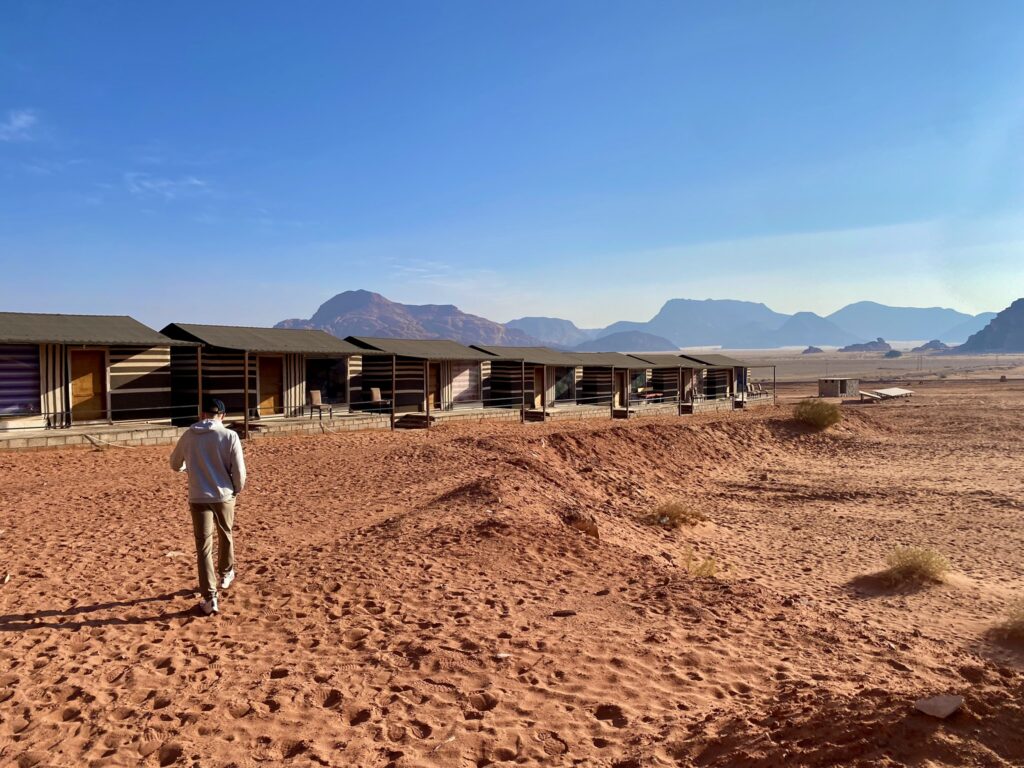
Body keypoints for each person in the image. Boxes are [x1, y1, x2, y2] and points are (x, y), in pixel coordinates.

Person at [169, 396, 246, 616]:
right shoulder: (229, 435)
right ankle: (226, 572)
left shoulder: (189, 434)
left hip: (198, 495)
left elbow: (175, 463)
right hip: (224, 495)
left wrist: (187, 469)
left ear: (202, 414)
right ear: (222, 415)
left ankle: (209, 597)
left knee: (203, 546)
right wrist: (236, 489)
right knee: (226, 533)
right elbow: (239, 471)